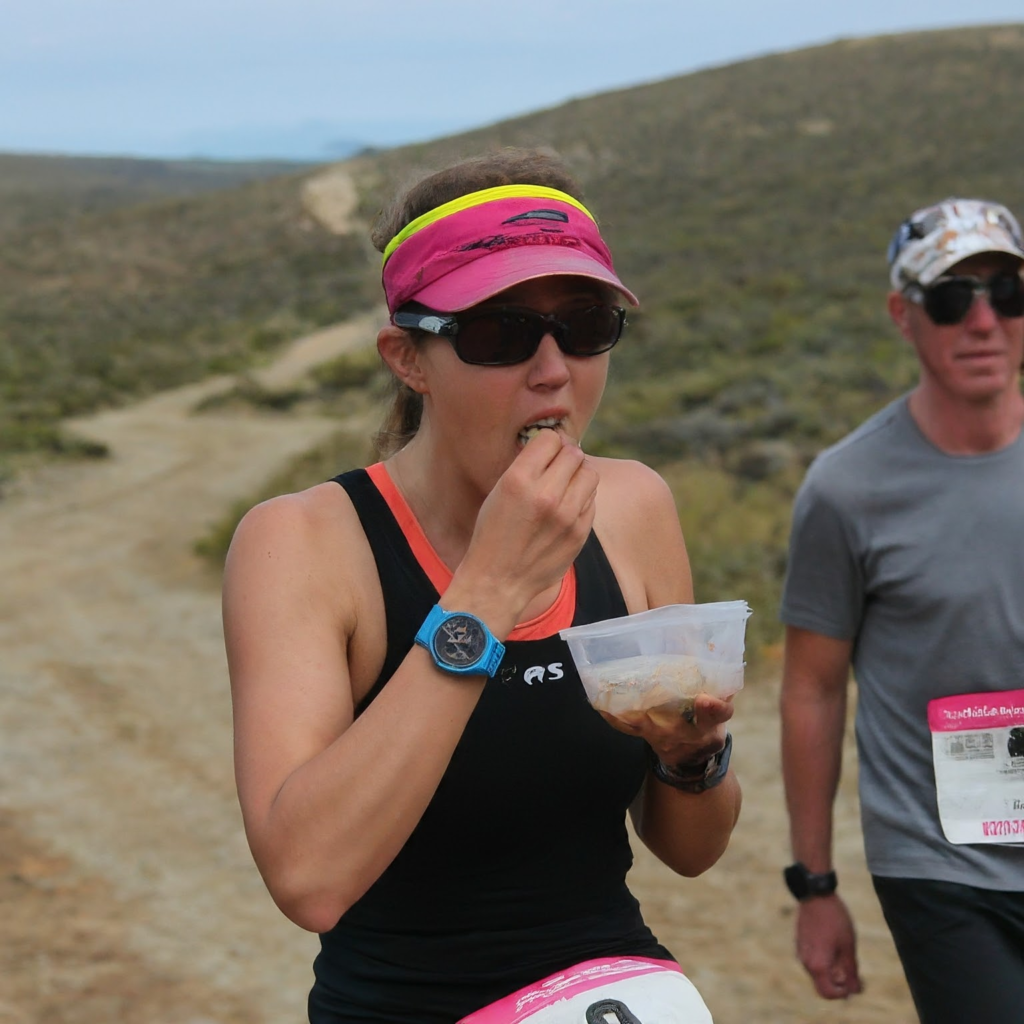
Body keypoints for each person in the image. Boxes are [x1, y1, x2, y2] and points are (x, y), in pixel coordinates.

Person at [222, 147, 742, 1024]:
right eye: (500, 333)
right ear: (409, 358)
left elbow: (692, 850)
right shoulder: (303, 543)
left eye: (585, 325)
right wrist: (487, 594)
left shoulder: (634, 507)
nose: (553, 369)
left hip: (610, 984)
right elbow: (308, 879)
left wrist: (691, 759)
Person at [779, 196, 1024, 1022]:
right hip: (940, 867)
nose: (983, 322)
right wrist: (814, 886)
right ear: (902, 315)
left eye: (1007, 293)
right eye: (952, 299)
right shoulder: (847, 490)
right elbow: (811, 689)